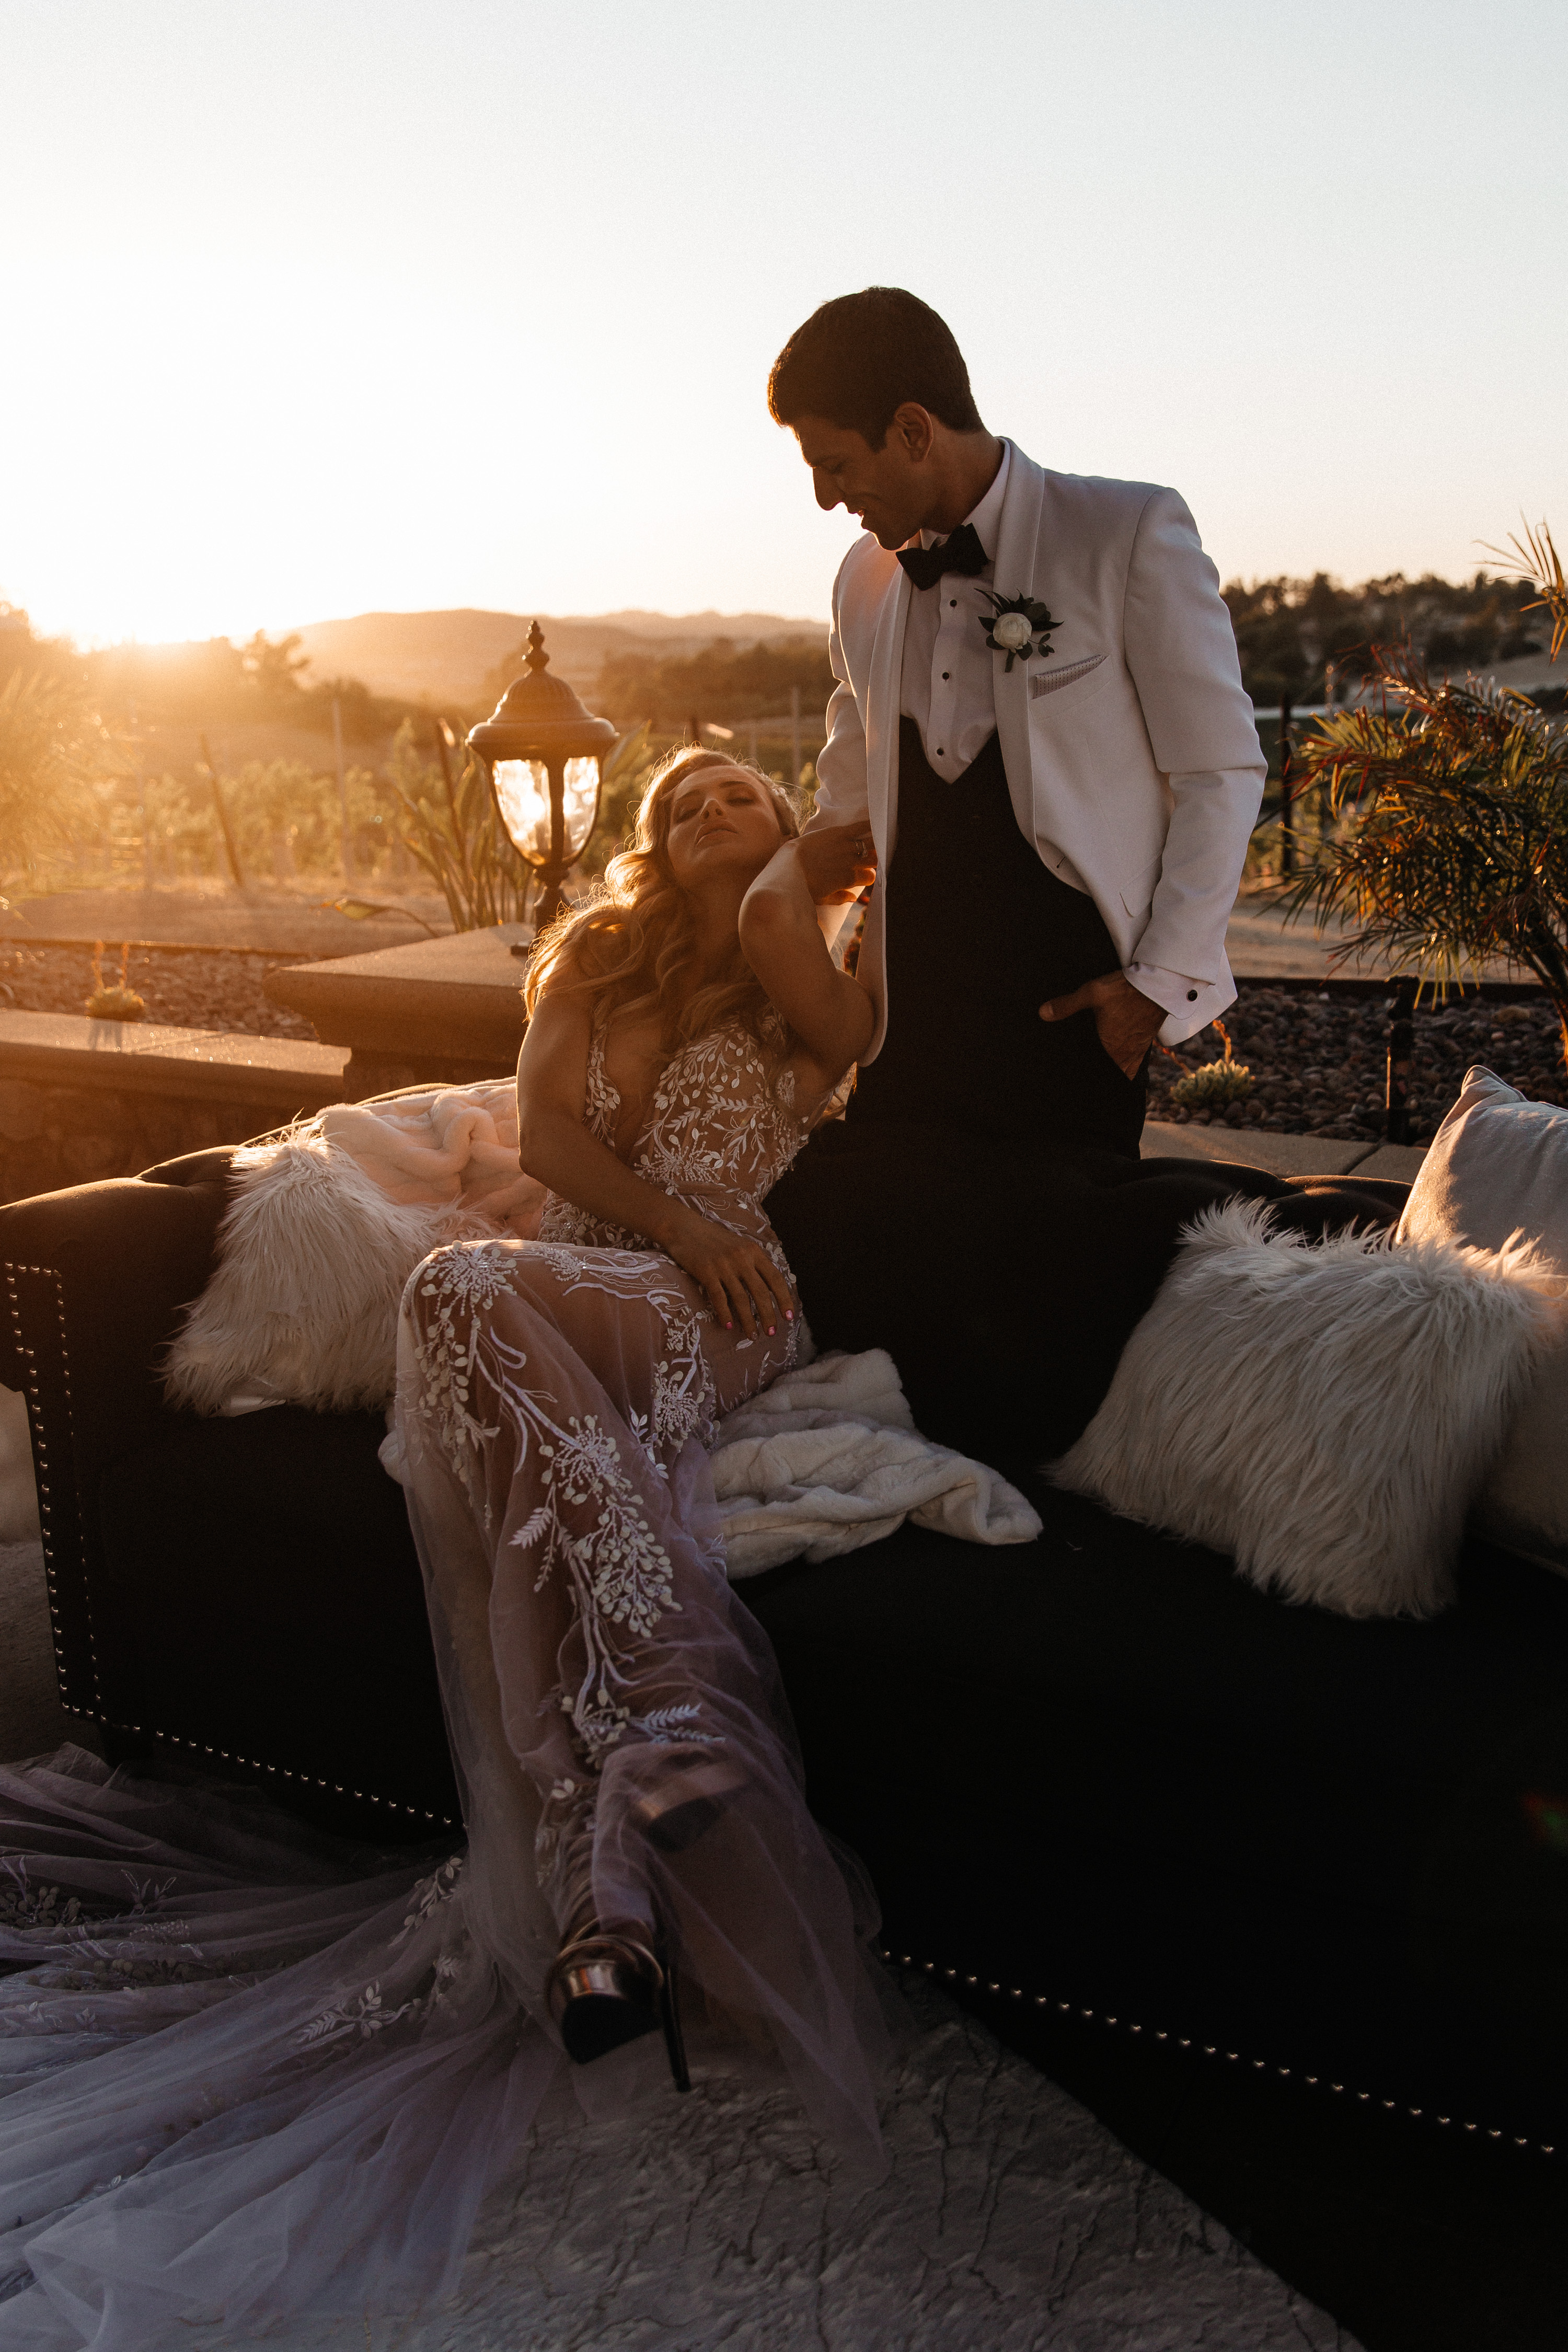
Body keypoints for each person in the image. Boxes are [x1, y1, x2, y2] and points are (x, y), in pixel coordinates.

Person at [0, 747, 896, 2348]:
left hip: (717, 1308)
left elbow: (831, 1017)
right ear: (642, 844)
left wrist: (802, 872)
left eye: (741, 793)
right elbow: (546, 1142)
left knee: (462, 1295)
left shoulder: (810, 962)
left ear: (789, 829)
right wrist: (648, 1212)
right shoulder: (590, 964)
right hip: (563, 1299)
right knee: (490, 1348)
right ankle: (610, 1858)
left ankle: (647, 1747)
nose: (706, 807)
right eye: (678, 798)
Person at [764, 286, 1405, 1469]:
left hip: (1070, 1009)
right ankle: (917, 1472)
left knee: (1046, 1277)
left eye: (834, 460)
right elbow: (848, 782)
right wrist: (791, 926)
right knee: (869, 1239)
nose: (823, 496)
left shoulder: (1128, 533)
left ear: (914, 427)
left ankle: (1043, 1472)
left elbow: (1221, 768)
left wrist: (1156, 984)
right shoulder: (862, 583)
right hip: (913, 1012)